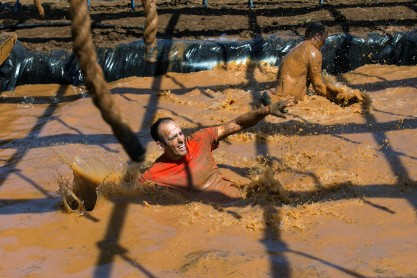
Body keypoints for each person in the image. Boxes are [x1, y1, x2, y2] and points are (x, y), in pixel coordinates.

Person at [138, 100, 292, 203]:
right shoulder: (154, 174)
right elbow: (130, 193)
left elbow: (236, 124)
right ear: (161, 145)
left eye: (180, 133)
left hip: (241, 203)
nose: (180, 140)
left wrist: (266, 110)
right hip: (214, 219)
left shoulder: (199, 139)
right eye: (173, 137)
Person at [262, 22, 329, 104]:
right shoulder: (313, 52)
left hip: (272, 96)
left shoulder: (300, 47)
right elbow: (318, 86)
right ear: (317, 36)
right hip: (282, 102)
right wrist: (338, 98)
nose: (324, 43)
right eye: (324, 39)